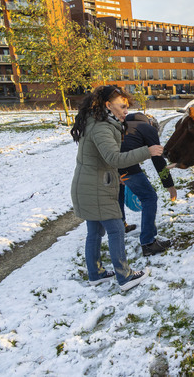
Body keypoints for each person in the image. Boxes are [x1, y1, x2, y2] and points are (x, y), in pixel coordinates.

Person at [70, 85, 163, 291]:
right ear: (108, 105)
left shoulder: (96, 122)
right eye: (122, 106)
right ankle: (125, 276)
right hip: (97, 188)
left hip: (91, 184)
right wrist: (147, 151)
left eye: (127, 107)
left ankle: (96, 274)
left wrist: (115, 175)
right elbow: (114, 157)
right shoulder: (102, 127)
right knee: (116, 229)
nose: (125, 110)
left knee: (94, 231)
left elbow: (101, 159)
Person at [118, 112, 177, 256]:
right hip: (128, 166)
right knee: (149, 198)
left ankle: (121, 225)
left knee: (118, 193)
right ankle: (148, 242)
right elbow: (158, 160)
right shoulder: (147, 128)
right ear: (150, 123)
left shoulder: (122, 125)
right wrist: (170, 185)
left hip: (111, 165)